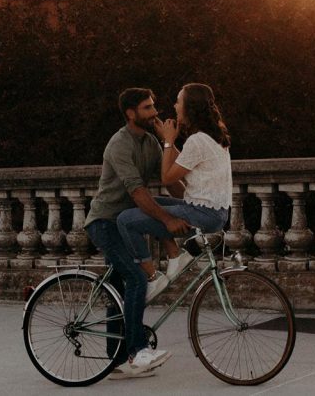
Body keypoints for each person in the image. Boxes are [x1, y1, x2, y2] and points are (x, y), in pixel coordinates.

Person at [84, 88, 191, 378]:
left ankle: (115, 360)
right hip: (105, 223)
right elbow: (138, 191)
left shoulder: (151, 143)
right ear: (131, 113)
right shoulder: (119, 144)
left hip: (127, 221)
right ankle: (137, 351)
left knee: (119, 290)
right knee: (134, 279)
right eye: (147, 108)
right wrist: (168, 220)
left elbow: (170, 180)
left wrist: (191, 206)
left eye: (153, 106)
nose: (154, 112)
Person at [115, 83, 232, 298]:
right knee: (149, 205)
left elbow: (167, 177)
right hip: (213, 212)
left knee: (125, 219)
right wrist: (166, 140)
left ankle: (152, 278)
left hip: (202, 214)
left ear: (190, 107)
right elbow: (181, 163)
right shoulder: (211, 136)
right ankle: (175, 255)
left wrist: (168, 141)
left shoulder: (197, 141)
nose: (175, 106)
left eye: (179, 101)